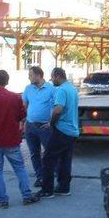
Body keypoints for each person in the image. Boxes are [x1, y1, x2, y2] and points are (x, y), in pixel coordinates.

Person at [0, 70, 40, 208]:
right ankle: (26, 195)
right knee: (19, 168)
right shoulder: (16, 97)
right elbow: (22, 116)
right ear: (7, 81)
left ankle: (3, 200)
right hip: (12, 139)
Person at [37, 68, 79, 199]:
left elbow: (57, 110)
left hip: (62, 130)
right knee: (65, 160)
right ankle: (63, 187)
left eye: (52, 77)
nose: (51, 80)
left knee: (48, 158)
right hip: (72, 131)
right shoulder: (72, 89)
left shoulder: (61, 90)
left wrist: (51, 123)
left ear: (57, 76)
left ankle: (47, 190)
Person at [22, 66, 56, 188]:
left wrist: (52, 122)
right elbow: (24, 105)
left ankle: (56, 176)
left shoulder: (51, 89)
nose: (29, 77)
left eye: (31, 75)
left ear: (38, 75)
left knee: (49, 152)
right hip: (30, 126)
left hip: (45, 127)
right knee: (34, 153)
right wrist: (23, 121)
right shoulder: (28, 89)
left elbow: (56, 107)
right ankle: (40, 177)